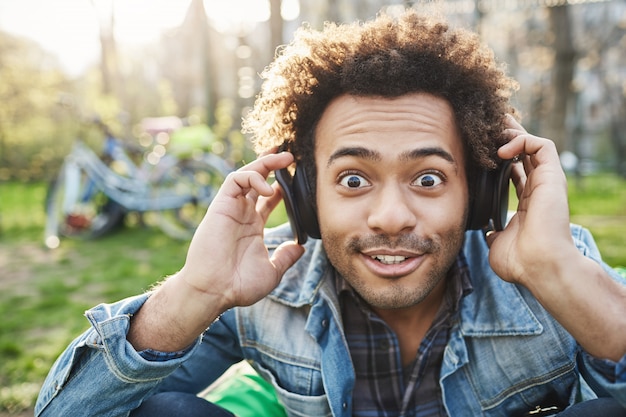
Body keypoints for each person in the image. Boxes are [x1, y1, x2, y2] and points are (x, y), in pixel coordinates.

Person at [36, 9, 626, 417]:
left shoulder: (552, 264)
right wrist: (195, 291)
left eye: (427, 177)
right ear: (303, 196)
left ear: (479, 192)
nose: (391, 216)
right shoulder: (263, 286)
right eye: (351, 179)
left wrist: (559, 275)